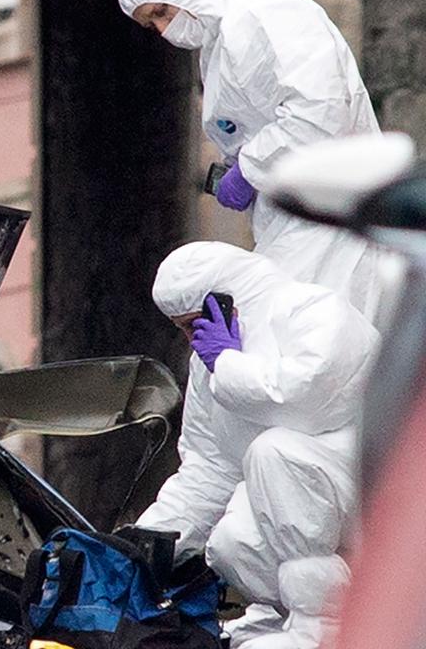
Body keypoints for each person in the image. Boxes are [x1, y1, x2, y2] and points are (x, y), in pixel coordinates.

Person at [117, 0, 380, 319]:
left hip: (334, 216)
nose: (161, 29)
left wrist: (249, 169)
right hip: (293, 220)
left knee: (312, 343)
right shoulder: (220, 42)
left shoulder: (268, 12)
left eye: (161, 11)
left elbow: (320, 110)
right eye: (150, 24)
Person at [139, 242, 378, 648]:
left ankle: (323, 626)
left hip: (374, 487)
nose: (188, 337)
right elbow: (209, 467)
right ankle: (281, 614)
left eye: (192, 323)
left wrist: (231, 367)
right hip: (301, 498)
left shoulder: (309, 308)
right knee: (230, 542)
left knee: (275, 453)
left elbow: (316, 401)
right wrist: (146, 543)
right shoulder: (208, 365)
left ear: (227, 301)